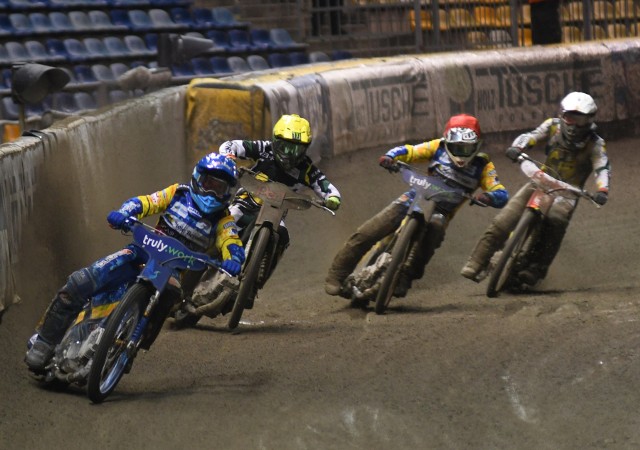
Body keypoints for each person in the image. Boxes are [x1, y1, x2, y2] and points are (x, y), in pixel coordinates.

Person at [25, 153, 245, 371]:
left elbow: (231, 241)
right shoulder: (177, 193)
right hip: (141, 252)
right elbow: (146, 202)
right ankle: (44, 342)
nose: (211, 193)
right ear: (198, 178)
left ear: (228, 193)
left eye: (219, 189)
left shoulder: (223, 220)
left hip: (173, 271)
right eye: (208, 184)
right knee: (80, 281)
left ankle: (132, 346)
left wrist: (234, 259)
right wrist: (124, 213)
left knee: (171, 294)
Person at [325, 113, 509, 297]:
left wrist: (489, 197)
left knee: (433, 235)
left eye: (466, 148)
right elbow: (411, 151)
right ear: (447, 142)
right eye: (456, 147)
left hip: (442, 211)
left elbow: (501, 192)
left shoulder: (483, 166)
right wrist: (390, 157)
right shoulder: (438, 147)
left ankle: (406, 277)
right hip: (416, 196)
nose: (461, 153)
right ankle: (338, 273)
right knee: (371, 229)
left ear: (477, 146)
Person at [460, 92, 610, 285]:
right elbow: (531, 136)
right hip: (540, 181)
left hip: (567, 194)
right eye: (570, 118)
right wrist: (518, 148)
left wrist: (602, 190)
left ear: (590, 120)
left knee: (555, 223)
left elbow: (602, 167)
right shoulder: (552, 126)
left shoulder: (596, 144)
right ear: (562, 115)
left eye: (581, 120)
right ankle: (476, 261)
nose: (574, 125)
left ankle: (535, 268)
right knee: (504, 221)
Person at [219, 113, 341, 296]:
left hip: (274, 213)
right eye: (285, 146)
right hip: (246, 201)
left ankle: (257, 279)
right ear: (276, 140)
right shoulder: (264, 148)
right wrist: (228, 157)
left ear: (305, 149)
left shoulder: (306, 169)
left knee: (282, 235)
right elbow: (231, 145)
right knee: (229, 218)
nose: (289, 153)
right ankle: (200, 256)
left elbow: (327, 187)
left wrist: (332, 199)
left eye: (296, 149)